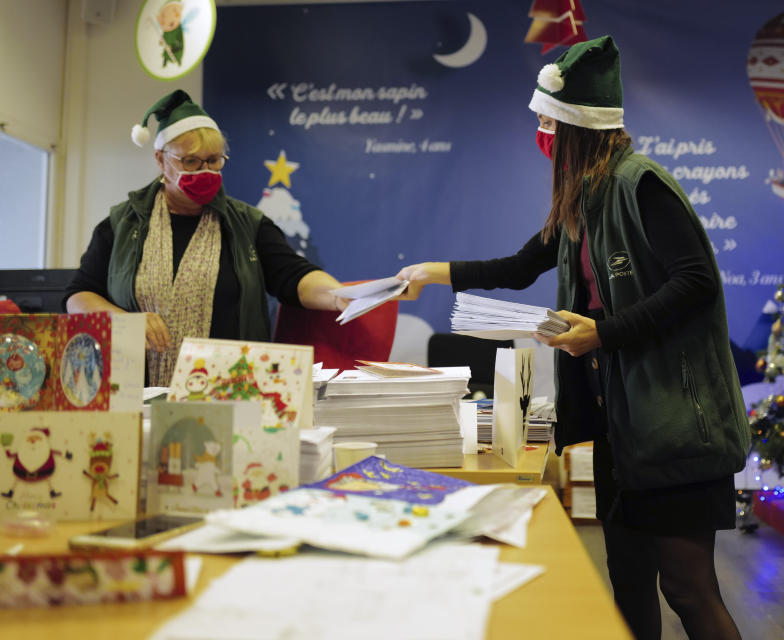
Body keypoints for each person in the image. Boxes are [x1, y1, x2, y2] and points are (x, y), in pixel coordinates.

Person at [398, 36, 748, 640]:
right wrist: (433, 273)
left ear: (575, 123)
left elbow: (696, 282)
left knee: (689, 589)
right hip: (624, 428)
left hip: (675, 430)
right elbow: (517, 266)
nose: (539, 130)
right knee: (629, 581)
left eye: (546, 118)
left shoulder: (641, 185)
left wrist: (603, 334)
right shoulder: (581, 197)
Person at [65, 90, 346, 386]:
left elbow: (295, 277)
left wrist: (340, 297)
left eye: (213, 160)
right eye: (191, 162)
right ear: (161, 160)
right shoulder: (120, 225)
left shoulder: (248, 225)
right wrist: (122, 321)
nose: (205, 171)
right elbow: (78, 295)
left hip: (229, 393)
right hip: (131, 392)